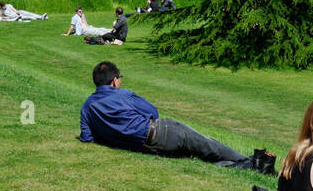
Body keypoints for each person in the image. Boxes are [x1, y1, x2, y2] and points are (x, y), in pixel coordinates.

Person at [80, 61, 269, 168]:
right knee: (208, 144)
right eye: (119, 78)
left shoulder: (87, 107)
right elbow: (153, 112)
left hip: (146, 147)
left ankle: (249, 163)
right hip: (161, 132)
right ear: (114, 81)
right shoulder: (124, 95)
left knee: (197, 155)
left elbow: (87, 137)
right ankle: (253, 162)